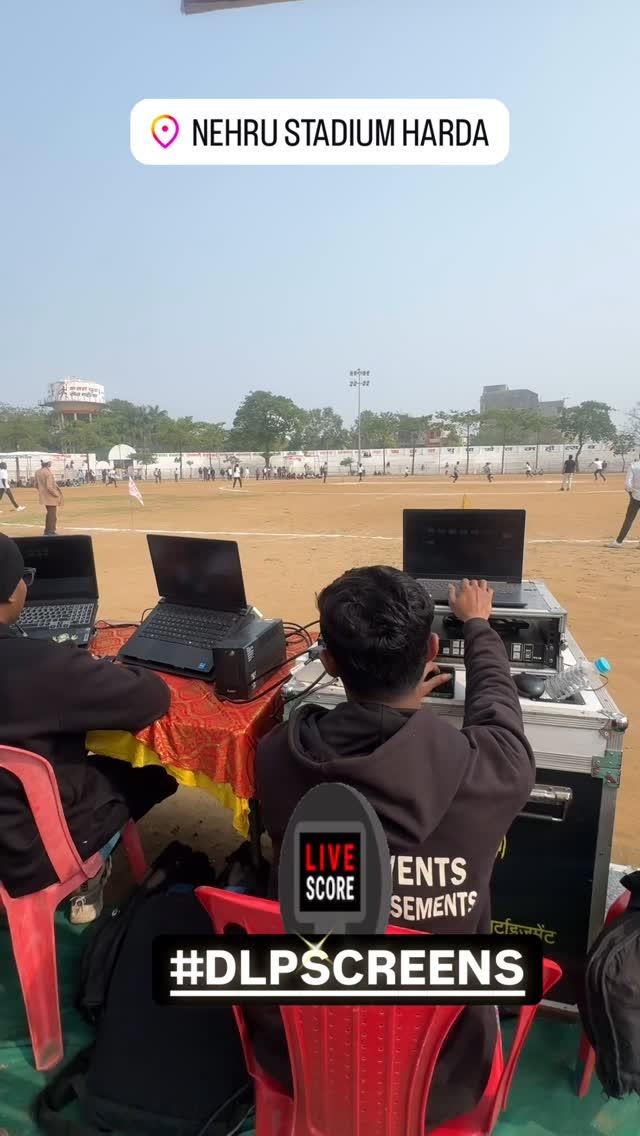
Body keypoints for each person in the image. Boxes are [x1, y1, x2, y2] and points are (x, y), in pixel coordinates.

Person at [254, 568, 534, 1131]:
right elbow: (500, 714)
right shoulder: (492, 768)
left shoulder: (278, 757)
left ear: (329, 662)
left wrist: (396, 715)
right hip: (444, 1071)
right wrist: (478, 627)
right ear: (431, 648)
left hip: (305, 1046)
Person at [0, 534, 177, 922]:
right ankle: (88, 874)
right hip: (30, 856)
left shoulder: (42, 665)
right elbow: (150, 699)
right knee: (155, 777)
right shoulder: (42, 666)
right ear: (14, 593)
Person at [610, 454, 640, 548]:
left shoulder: (634, 465)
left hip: (636, 496)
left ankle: (619, 542)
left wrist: (631, 492)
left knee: (629, 519)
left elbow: (628, 484)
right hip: (636, 495)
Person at [34, 460, 62, 536]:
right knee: (52, 515)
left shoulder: (38, 472)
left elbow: (35, 484)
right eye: (50, 462)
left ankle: (47, 531)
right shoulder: (48, 473)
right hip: (50, 496)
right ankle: (51, 531)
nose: (51, 463)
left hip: (43, 495)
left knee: (49, 513)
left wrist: (42, 491)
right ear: (48, 463)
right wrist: (56, 494)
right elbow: (49, 487)